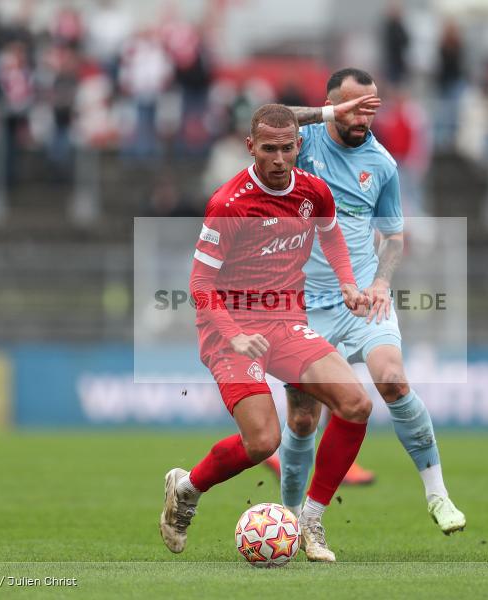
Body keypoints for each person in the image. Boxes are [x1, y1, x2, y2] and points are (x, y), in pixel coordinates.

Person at [159, 104, 373, 563]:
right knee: (262, 442)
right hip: (229, 328)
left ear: (299, 145)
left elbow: (331, 236)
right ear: (250, 147)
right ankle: (187, 488)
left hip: (285, 321)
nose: (279, 159)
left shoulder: (314, 192)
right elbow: (199, 284)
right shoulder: (229, 205)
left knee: (355, 404)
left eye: (287, 148)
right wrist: (234, 335)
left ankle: (311, 521)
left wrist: (348, 283)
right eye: (269, 149)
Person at [273, 68, 466, 535]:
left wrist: (381, 282)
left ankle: (437, 494)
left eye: (371, 107)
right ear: (333, 106)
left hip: (361, 297)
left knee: (393, 380)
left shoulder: (382, 164)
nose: (364, 117)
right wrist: (324, 114)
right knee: (302, 419)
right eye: (354, 107)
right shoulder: (304, 144)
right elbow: (269, 120)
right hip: (302, 306)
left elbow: (395, 238)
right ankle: (291, 519)